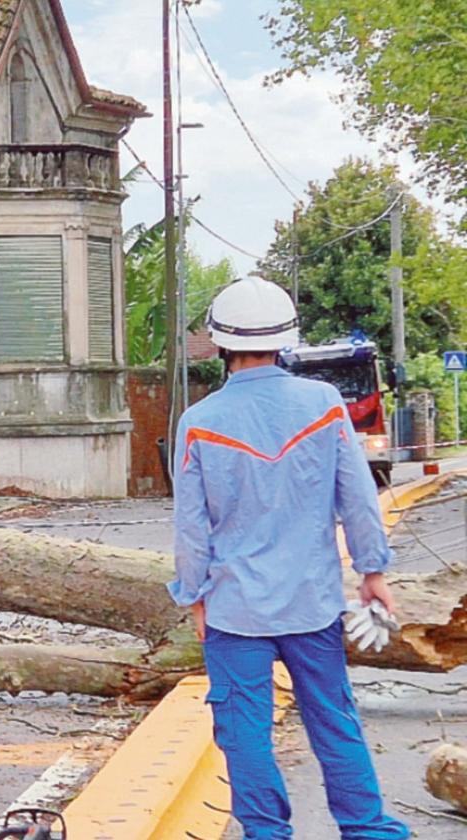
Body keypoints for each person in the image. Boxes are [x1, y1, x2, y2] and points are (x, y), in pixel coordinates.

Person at [170, 277, 409, 839]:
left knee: (244, 733)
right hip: (313, 603)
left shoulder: (198, 422)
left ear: (219, 342)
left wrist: (193, 595)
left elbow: (191, 528)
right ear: (286, 340)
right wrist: (372, 571)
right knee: (334, 720)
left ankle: (267, 833)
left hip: (234, 610)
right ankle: (368, 829)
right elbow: (359, 498)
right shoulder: (323, 405)